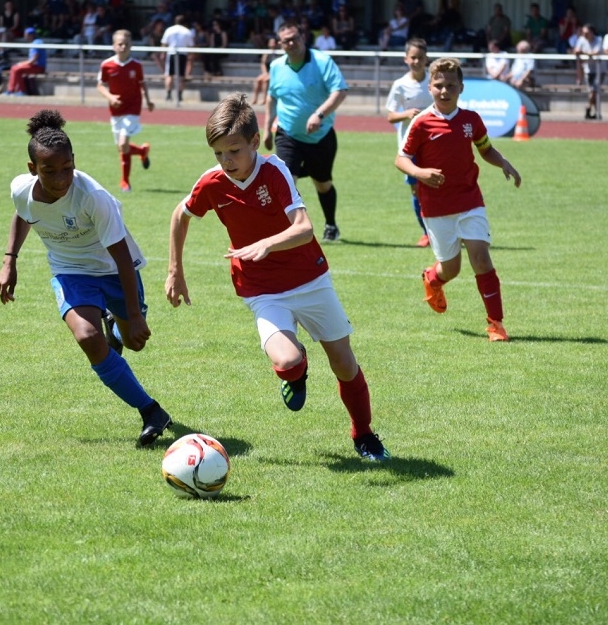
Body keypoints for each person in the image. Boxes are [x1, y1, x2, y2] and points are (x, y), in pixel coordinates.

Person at [165, 94, 390, 462]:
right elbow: (181, 214)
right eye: (219, 153)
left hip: (310, 279)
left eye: (234, 151)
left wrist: (267, 243)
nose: (226, 161)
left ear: (255, 142)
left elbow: (303, 228)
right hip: (262, 289)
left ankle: (364, 436)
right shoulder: (212, 182)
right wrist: (176, 270)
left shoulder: (275, 171)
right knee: (286, 362)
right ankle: (297, 370)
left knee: (344, 364)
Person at [0, 109, 173, 447]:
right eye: (50, 171)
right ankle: (151, 411)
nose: (61, 178)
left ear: (74, 161)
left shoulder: (92, 197)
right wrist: (10, 260)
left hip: (113, 271)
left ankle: (118, 325)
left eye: (67, 168)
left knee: (133, 339)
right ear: (33, 169)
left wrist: (134, 316)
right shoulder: (22, 189)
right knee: (88, 337)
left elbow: (122, 259)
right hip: (70, 271)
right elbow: (24, 214)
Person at [394, 58, 522, 342]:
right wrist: (420, 172)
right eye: (438, 85)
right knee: (452, 268)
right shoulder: (421, 122)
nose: (444, 90)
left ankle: (495, 324)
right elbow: (401, 158)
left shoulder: (471, 120)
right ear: (430, 87)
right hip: (437, 208)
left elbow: (485, 149)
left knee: (481, 257)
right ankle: (432, 278)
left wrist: (503, 162)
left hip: (469, 200)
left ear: (461, 87)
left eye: (450, 85)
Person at [264, 20, 348, 243]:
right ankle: (289, 230)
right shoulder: (276, 67)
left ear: (303, 37)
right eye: (286, 40)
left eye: (294, 38)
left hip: (321, 137)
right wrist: (265, 130)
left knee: (323, 184)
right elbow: (272, 98)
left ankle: (331, 224)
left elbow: (339, 91)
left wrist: (319, 115)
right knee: (286, 180)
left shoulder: (322, 61)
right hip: (288, 134)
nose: (291, 43)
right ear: (279, 44)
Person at [385, 37, 432, 248]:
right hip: (409, 147)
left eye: (420, 58)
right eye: (413, 57)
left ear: (426, 59)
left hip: (434, 144)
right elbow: (390, 116)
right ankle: (426, 232)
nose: (417, 61)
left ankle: (444, 230)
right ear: (406, 59)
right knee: (416, 191)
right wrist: (406, 114)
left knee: (439, 186)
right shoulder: (400, 85)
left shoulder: (434, 81)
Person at [97, 30, 154, 193]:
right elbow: (100, 85)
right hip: (116, 110)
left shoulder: (136, 66)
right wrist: (110, 97)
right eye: (120, 44)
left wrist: (148, 101)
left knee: (123, 143)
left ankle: (125, 182)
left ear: (131, 46)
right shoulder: (107, 65)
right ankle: (142, 151)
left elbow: (143, 84)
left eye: (126, 44)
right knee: (122, 147)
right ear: (114, 46)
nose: (123, 47)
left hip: (133, 108)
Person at [572, 23, 603, 120]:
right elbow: (576, 50)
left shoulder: (599, 40)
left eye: (587, 33)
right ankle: (596, 112)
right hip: (588, 69)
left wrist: (583, 53)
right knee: (591, 91)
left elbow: (595, 52)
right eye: (583, 33)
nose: (584, 35)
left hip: (599, 69)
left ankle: (588, 108)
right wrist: (582, 53)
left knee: (594, 90)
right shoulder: (581, 40)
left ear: (592, 32)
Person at [161, 14, 194, 103]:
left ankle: (168, 95)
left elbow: (164, 43)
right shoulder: (187, 31)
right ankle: (179, 96)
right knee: (181, 76)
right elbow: (191, 45)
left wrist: (162, 53)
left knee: (169, 75)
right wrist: (191, 55)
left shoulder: (169, 30)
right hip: (182, 54)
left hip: (171, 53)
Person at [5, 27, 46, 96]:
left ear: (31, 35)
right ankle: (16, 90)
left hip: (38, 67)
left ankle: (15, 90)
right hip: (35, 66)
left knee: (16, 69)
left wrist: (21, 64)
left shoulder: (36, 43)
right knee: (15, 68)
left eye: (26, 35)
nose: (24, 37)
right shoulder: (36, 42)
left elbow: (33, 60)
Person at [250, 37, 277, 105]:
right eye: (270, 42)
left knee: (265, 81)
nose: (272, 43)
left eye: (273, 42)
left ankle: (264, 99)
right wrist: (265, 73)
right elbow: (263, 64)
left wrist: (270, 74)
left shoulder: (278, 53)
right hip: (267, 73)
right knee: (258, 80)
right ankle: (255, 98)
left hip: (275, 73)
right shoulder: (266, 53)